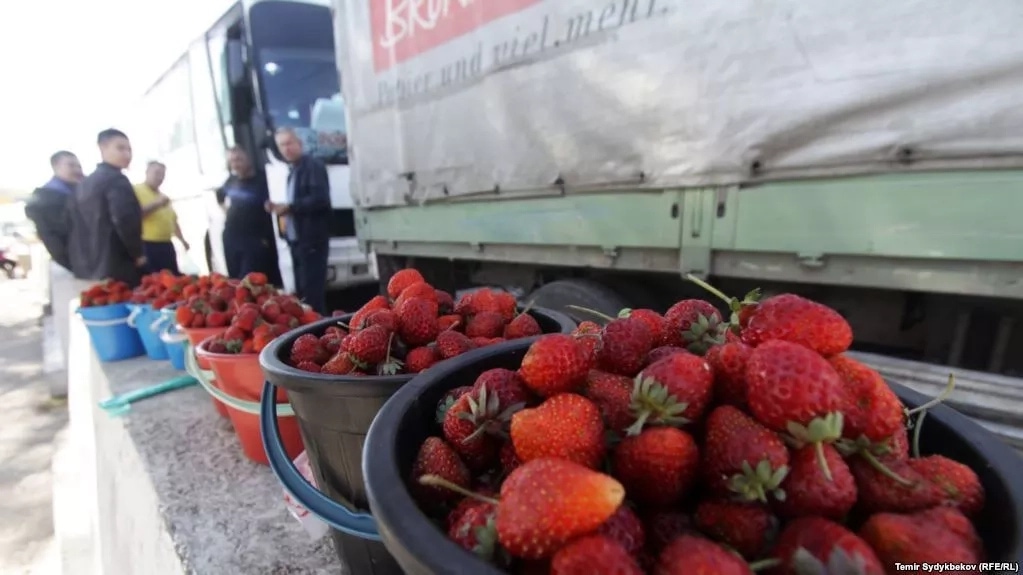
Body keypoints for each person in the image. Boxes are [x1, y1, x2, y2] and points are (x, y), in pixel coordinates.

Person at [67, 128, 146, 286]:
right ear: (103, 147)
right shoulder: (116, 180)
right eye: (120, 148)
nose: (127, 154)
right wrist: (137, 253)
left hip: (91, 269)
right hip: (118, 264)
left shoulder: (84, 184)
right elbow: (124, 219)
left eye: (129, 149)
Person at [265, 127, 330, 314]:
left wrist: (291, 207)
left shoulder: (312, 166)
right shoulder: (293, 170)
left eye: (289, 143)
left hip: (312, 241)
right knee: (303, 293)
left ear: (299, 143)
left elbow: (320, 200)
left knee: (313, 296)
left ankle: (319, 334)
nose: (286, 149)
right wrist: (280, 207)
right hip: (298, 241)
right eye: (281, 145)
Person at [216, 146, 283, 286]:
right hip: (232, 239)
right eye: (232, 161)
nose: (236, 164)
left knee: (252, 283)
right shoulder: (230, 181)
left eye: (239, 159)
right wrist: (225, 210)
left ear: (248, 159)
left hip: (254, 240)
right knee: (236, 283)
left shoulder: (264, 179)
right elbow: (219, 196)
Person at [24, 150, 83, 271]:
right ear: (56, 166)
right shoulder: (48, 201)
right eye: (71, 165)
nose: (77, 170)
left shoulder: (77, 192)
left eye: (79, 166)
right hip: (77, 264)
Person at [134, 161, 188, 274]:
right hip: (148, 245)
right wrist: (157, 204)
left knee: (172, 278)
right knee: (154, 281)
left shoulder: (163, 196)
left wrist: (182, 240)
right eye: (156, 173)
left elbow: (173, 221)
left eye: (162, 174)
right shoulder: (136, 190)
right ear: (147, 172)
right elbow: (134, 215)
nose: (159, 177)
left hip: (167, 244)